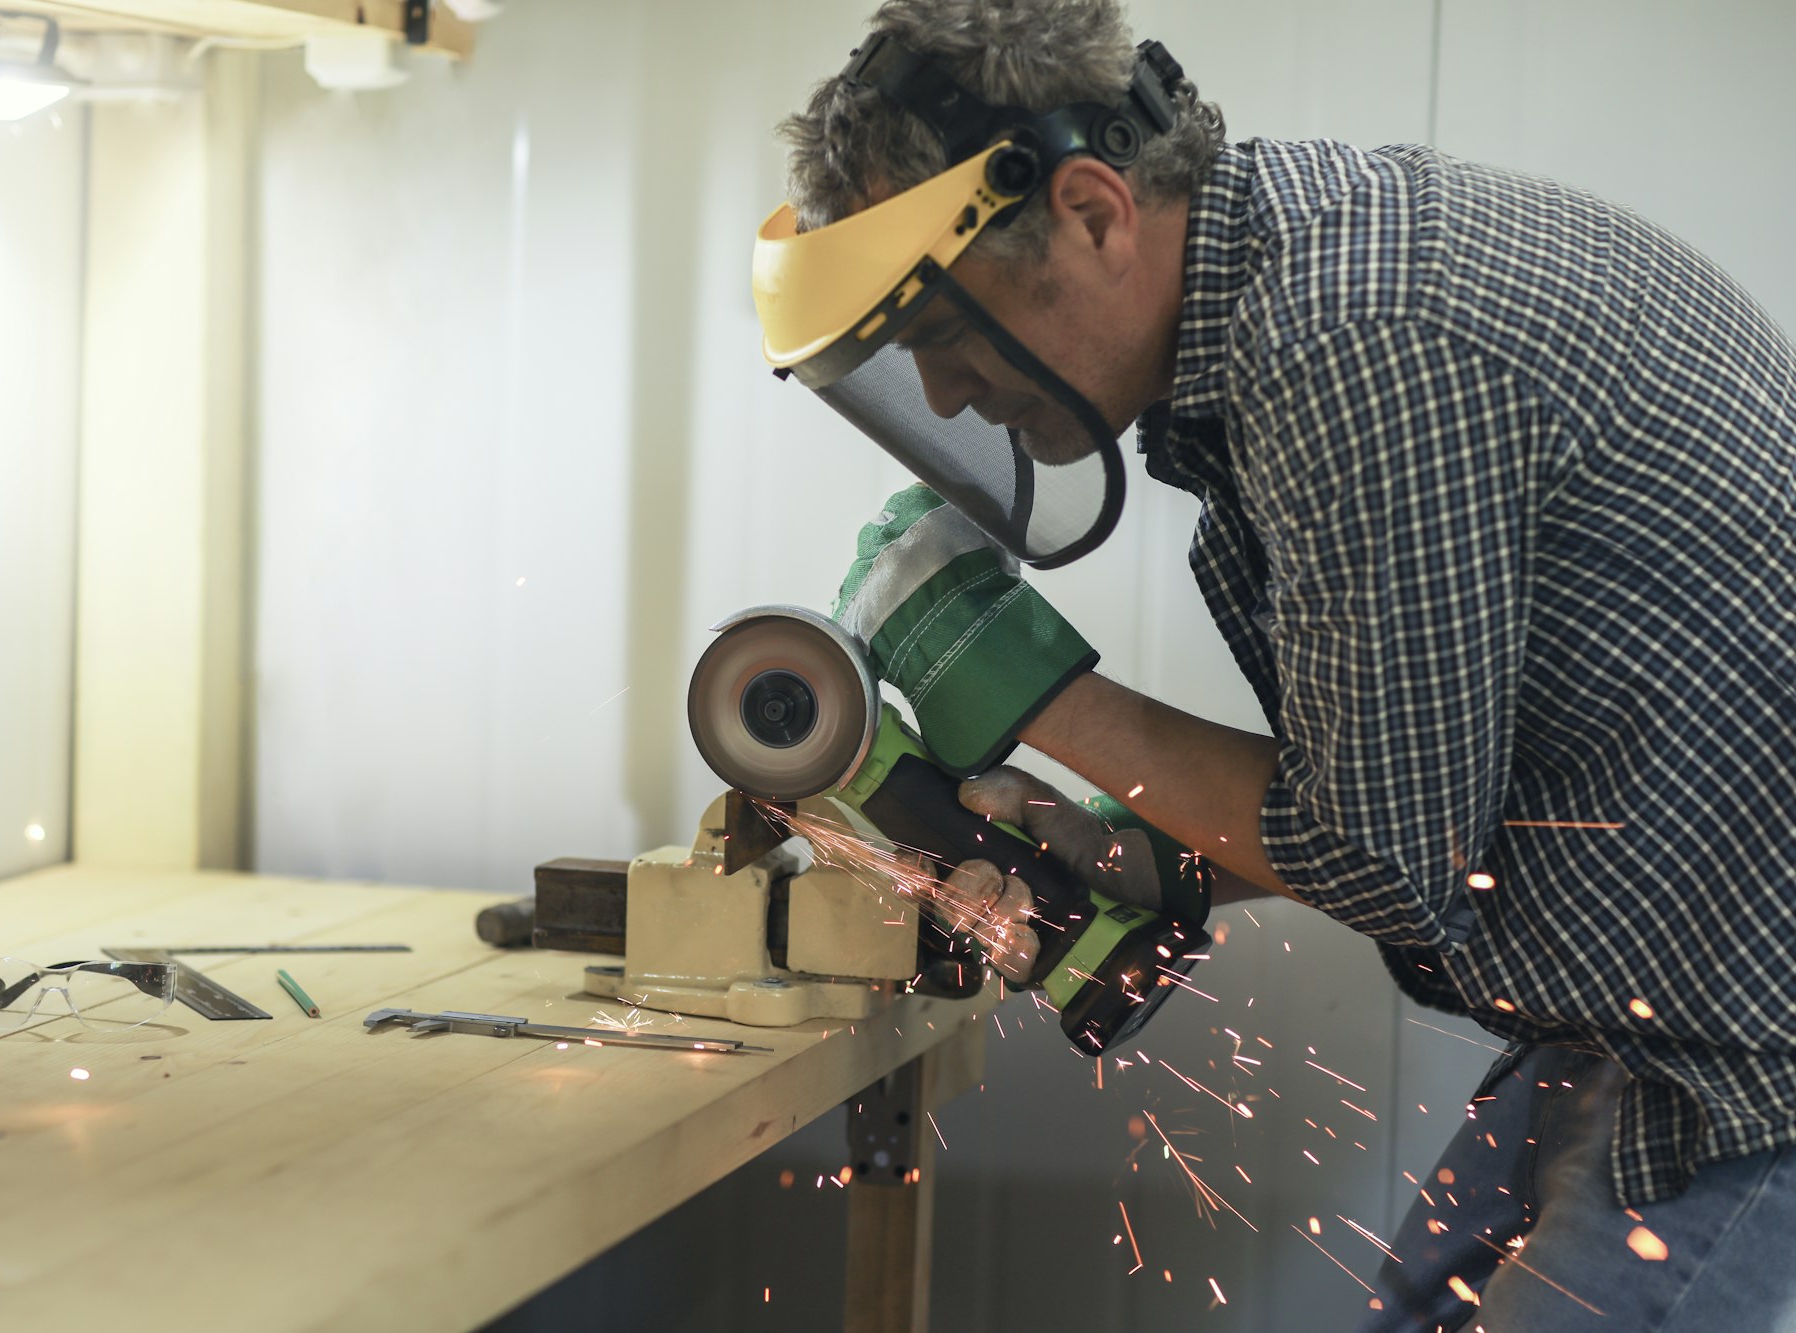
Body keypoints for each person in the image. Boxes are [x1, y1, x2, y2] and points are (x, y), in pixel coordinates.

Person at [751, 0, 1796, 1328]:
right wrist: (1143, 853)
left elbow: (1384, 852)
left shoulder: (1353, 342)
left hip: (1748, 1054)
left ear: (1089, 211)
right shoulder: (1305, 284)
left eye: (949, 338)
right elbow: (1410, 790)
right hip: (1646, 1012)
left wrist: (1023, 685)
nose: (947, 399)